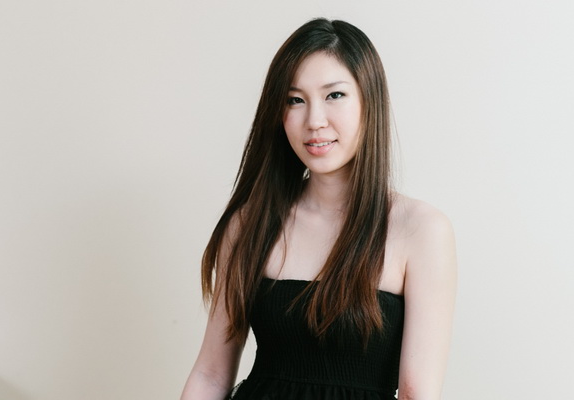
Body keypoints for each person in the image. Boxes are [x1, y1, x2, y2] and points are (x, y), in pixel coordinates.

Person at [181, 18, 457, 400]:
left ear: (370, 102)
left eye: (334, 95)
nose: (314, 121)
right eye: (295, 100)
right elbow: (211, 375)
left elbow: (417, 393)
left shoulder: (422, 230)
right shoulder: (251, 223)